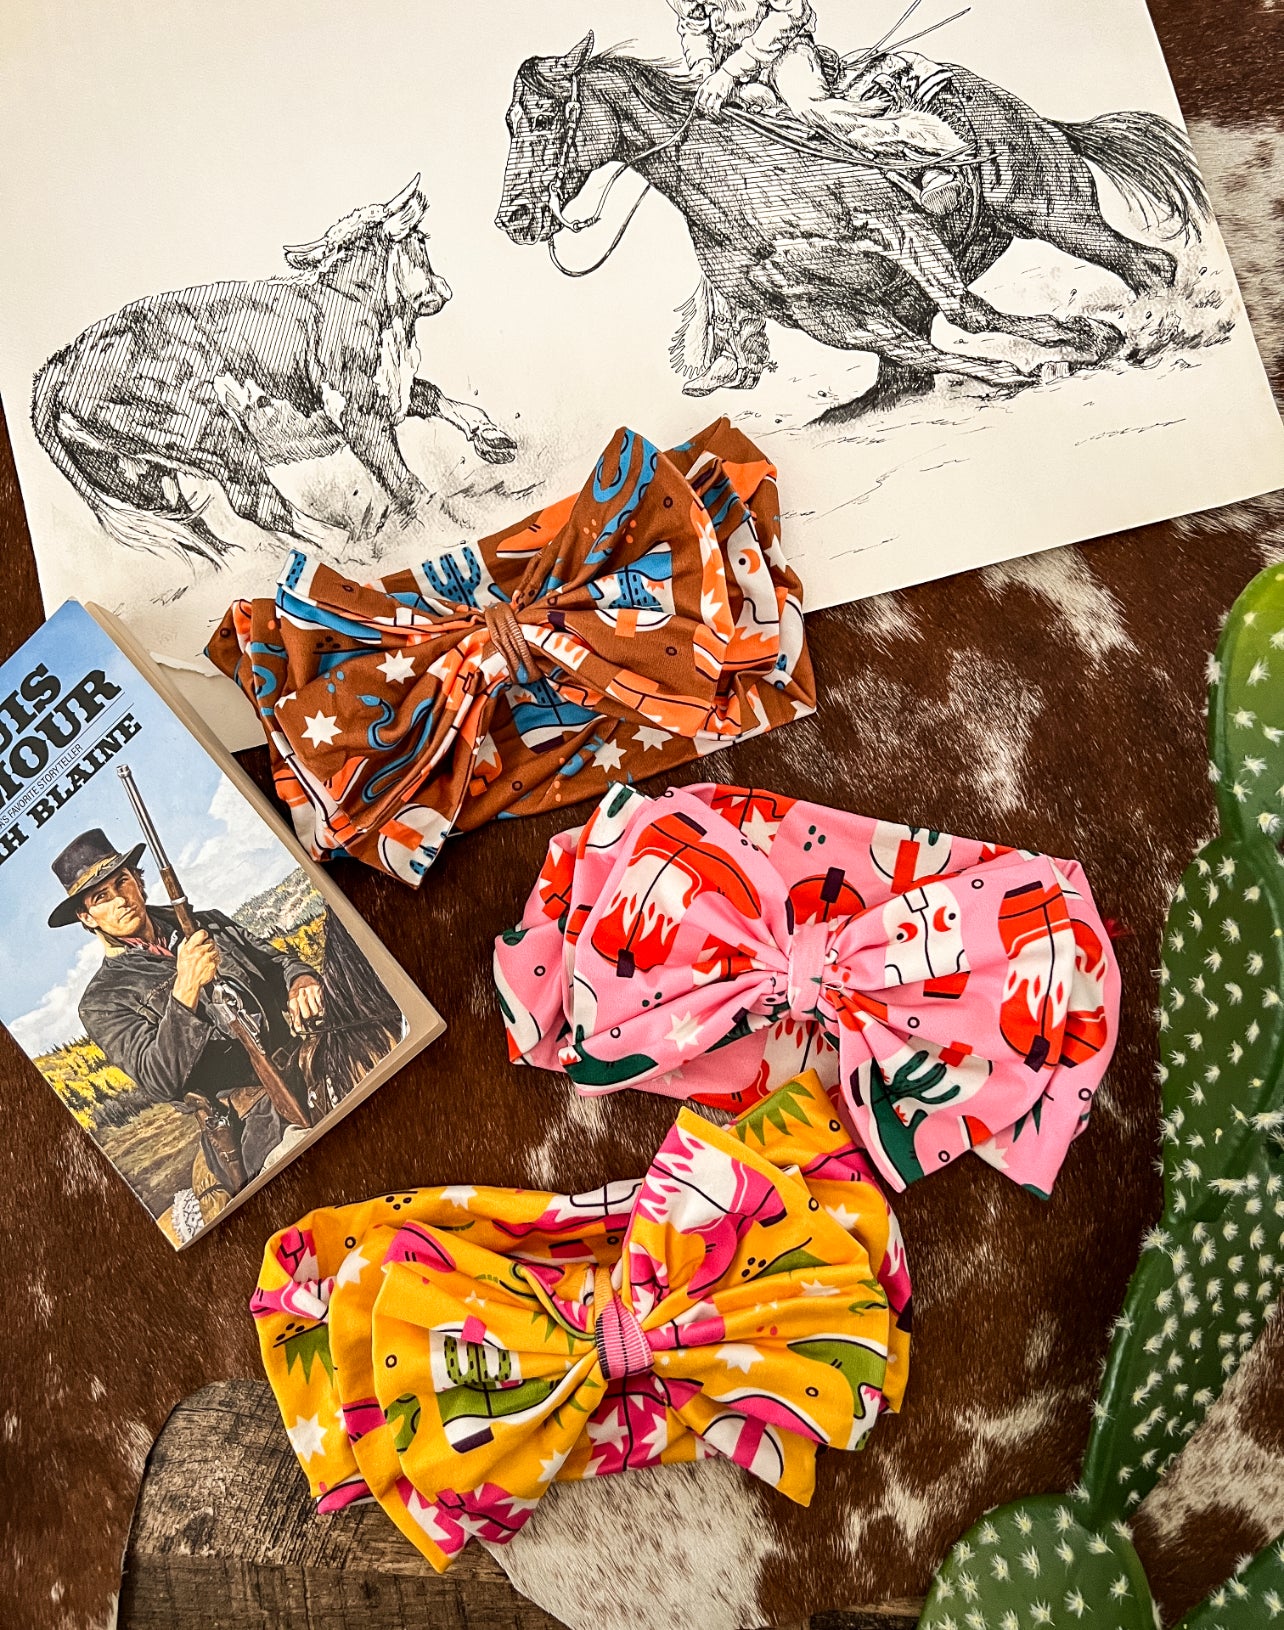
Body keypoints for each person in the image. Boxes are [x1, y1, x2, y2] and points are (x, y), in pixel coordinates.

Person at [47, 828, 324, 1189]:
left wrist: (301, 979)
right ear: (87, 917)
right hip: (251, 1118)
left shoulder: (209, 923)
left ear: (138, 882)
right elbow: (159, 1080)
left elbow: (277, 965)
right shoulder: (102, 1002)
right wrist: (186, 989)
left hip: (305, 1060)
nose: (120, 900)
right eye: (101, 896)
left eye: (123, 882)